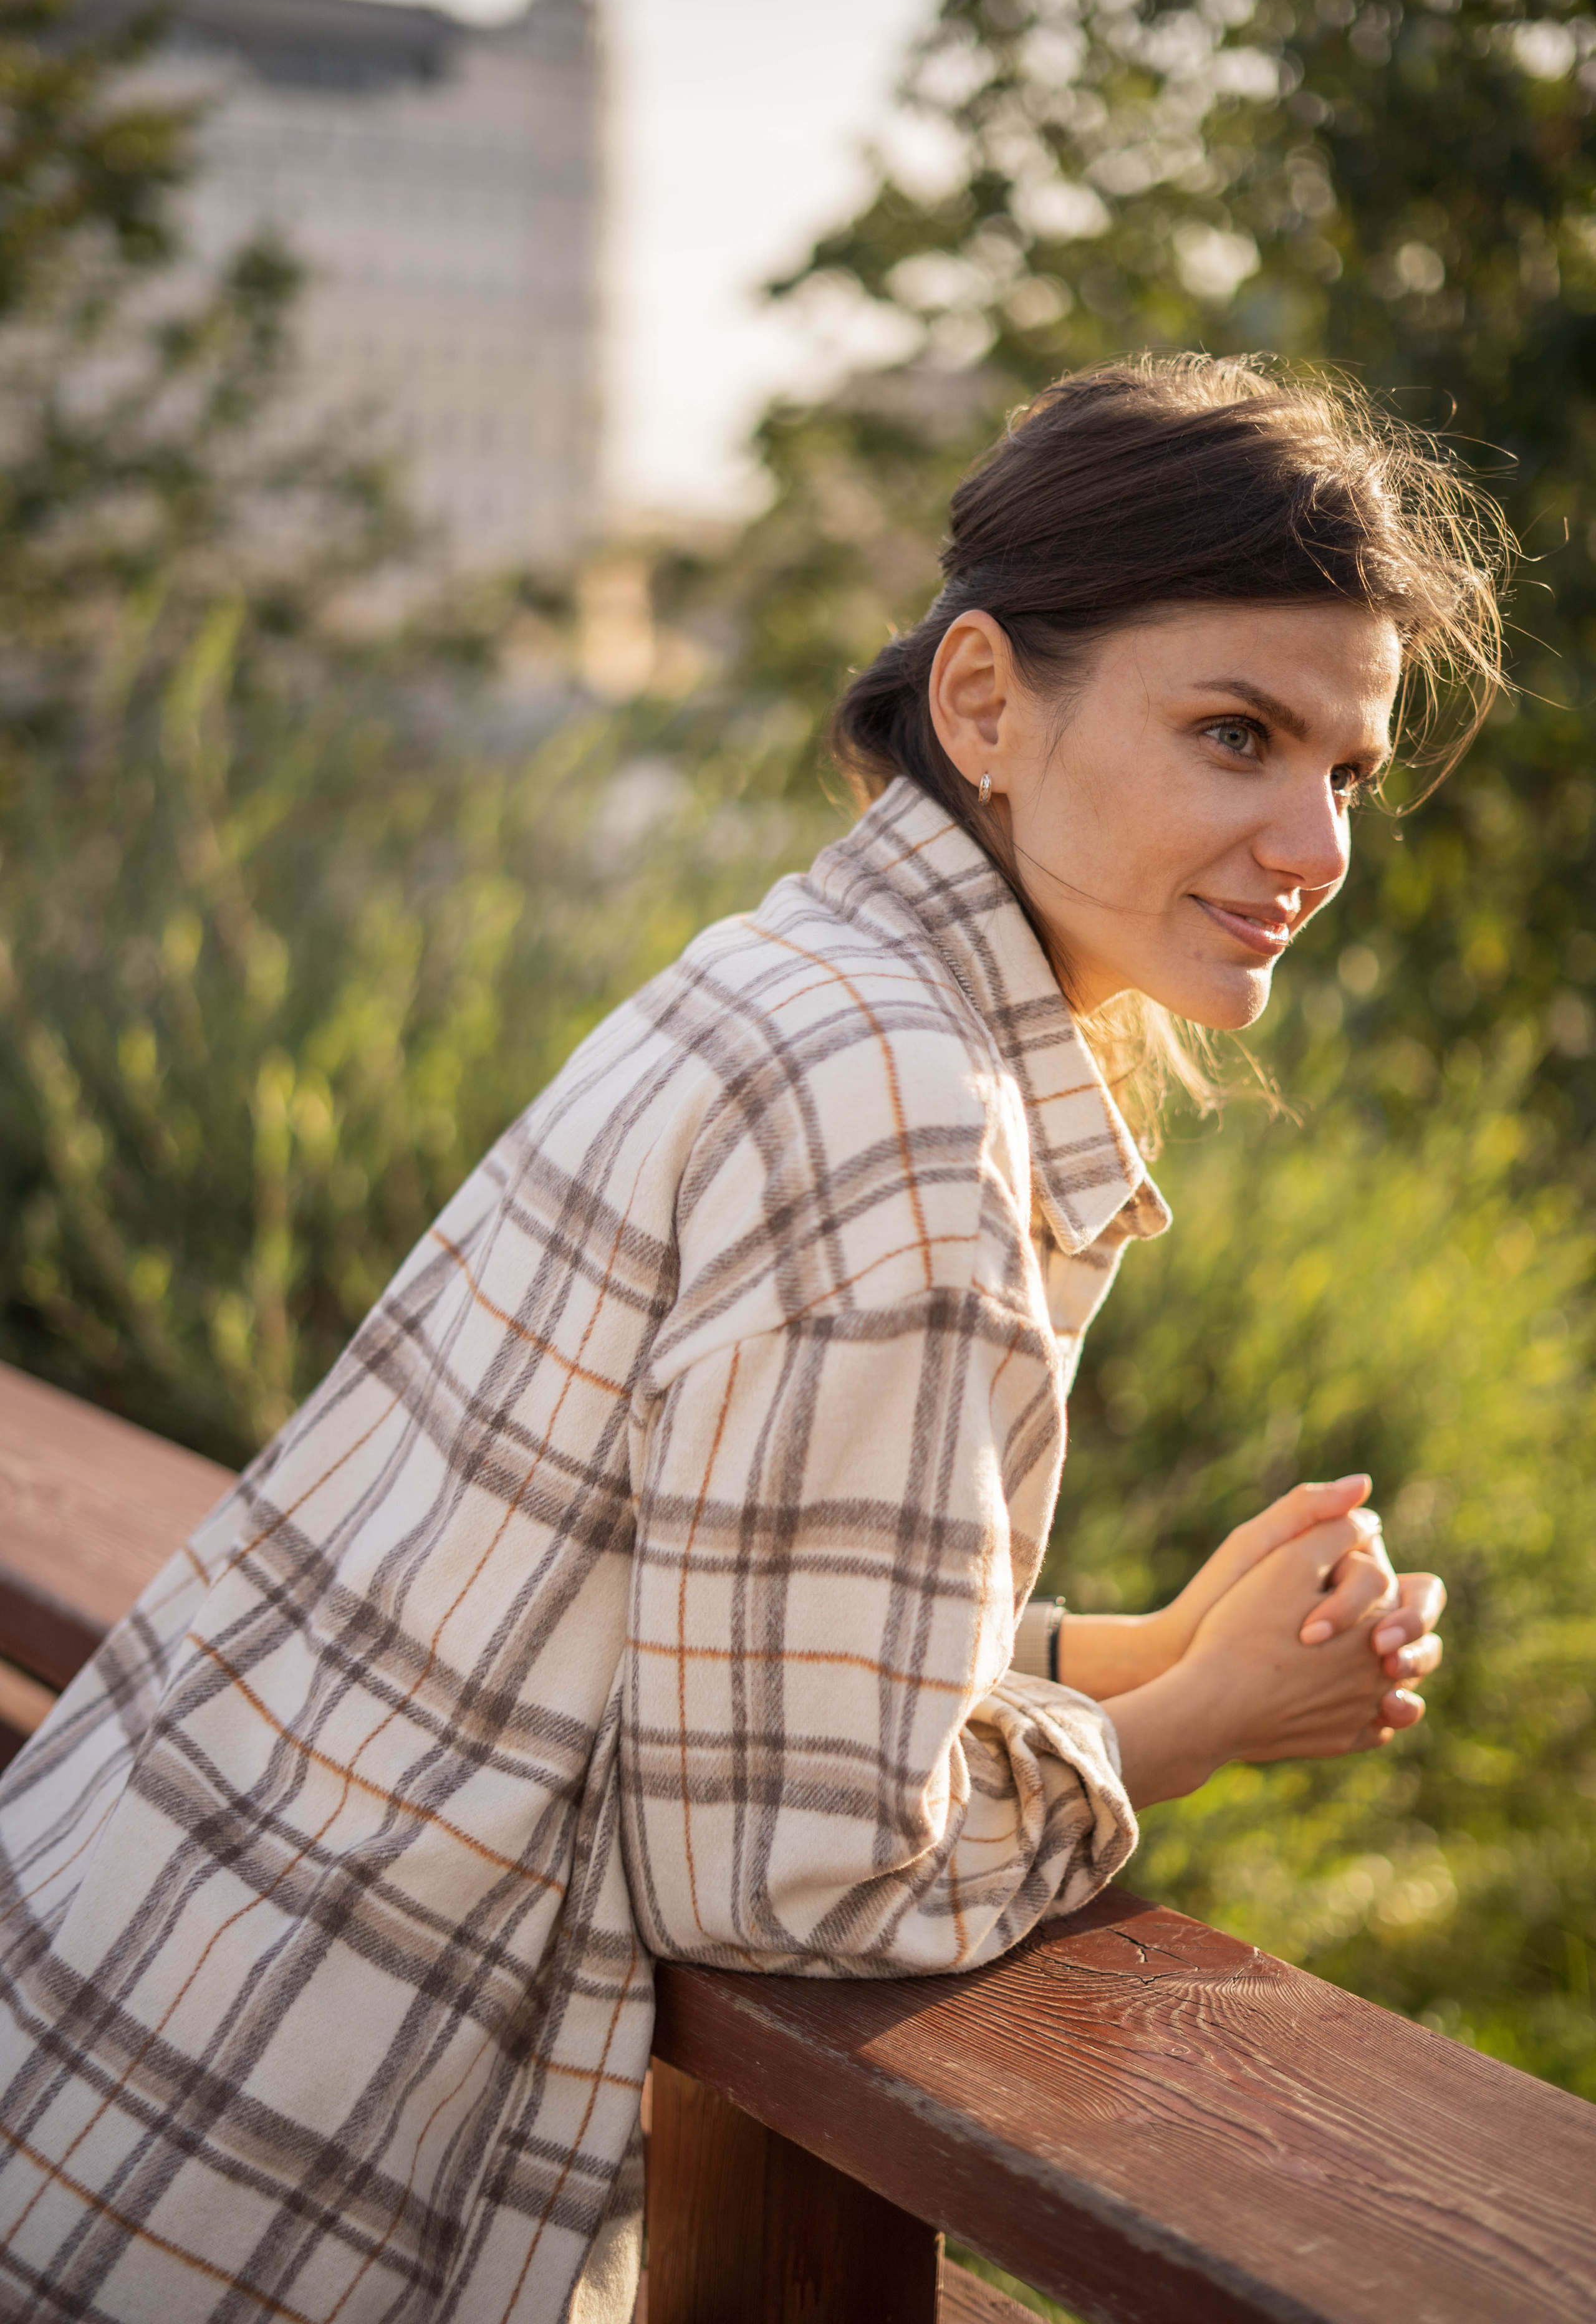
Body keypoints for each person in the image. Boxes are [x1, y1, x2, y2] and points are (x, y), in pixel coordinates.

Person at [0, 355, 1502, 2324]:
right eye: (1237, 733)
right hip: (261, 2189)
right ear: (985, 704)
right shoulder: (907, 1113)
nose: (1314, 842)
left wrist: (1138, 1652)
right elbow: (794, 1873)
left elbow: (683, 1620)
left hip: (113, 2043)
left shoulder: (808, 979)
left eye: (1348, 770)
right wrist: (1195, 1727)